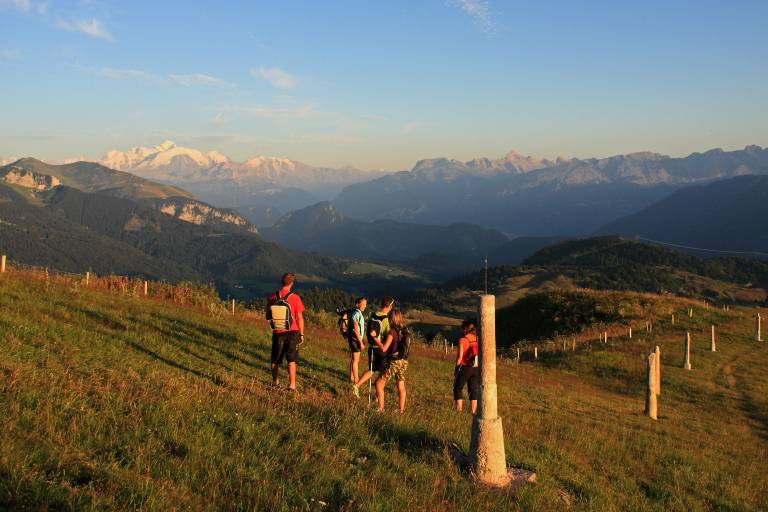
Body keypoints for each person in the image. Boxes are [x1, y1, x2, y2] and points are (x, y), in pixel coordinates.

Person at [266, 273, 305, 392]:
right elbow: (300, 317)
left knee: (275, 358)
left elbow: (268, 315)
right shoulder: (295, 298)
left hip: (278, 331)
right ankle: (292, 385)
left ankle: (275, 382)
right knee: (291, 358)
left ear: (281, 282)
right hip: (293, 331)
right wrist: (302, 333)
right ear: (292, 283)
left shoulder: (273, 297)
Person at [354, 296, 395, 400]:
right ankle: (378, 395)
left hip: (371, 347)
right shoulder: (385, 319)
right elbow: (388, 335)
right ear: (389, 306)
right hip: (381, 349)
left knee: (371, 369)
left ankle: (357, 385)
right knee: (384, 372)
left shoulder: (373, 314)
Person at [375, 308, 409, 413]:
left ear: (391, 319)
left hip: (394, 361)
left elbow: (384, 348)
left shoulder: (392, 331)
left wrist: (376, 339)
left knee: (379, 384)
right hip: (404, 361)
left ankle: (381, 408)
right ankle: (401, 409)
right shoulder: (405, 330)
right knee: (401, 385)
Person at [453, 319, 479, 413]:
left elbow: (460, 357)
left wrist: (456, 369)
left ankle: (459, 411)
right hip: (476, 368)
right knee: (473, 390)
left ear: (465, 329)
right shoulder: (477, 339)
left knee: (458, 388)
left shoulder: (463, 340)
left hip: (465, 367)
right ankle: (472, 412)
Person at [348, 296, 367, 389]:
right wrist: (361, 342)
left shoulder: (358, 313)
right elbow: (356, 329)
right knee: (356, 360)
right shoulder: (356, 314)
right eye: (363, 304)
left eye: (365, 304)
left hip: (355, 339)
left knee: (354, 359)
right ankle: (356, 380)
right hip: (355, 339)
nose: (364, 306)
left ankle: (351, 377)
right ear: (357, 304)